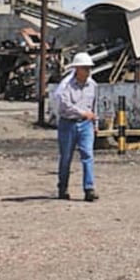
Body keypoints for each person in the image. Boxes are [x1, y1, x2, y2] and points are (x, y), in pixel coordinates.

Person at [55, 52, 99, 202]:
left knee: (88, 155)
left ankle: (89, 188)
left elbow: (94, 106)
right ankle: (63, 187)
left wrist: (94, 123)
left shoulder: (92, 85)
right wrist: (84, 113)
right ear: (77, 69)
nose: (88, 72)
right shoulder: (65, 86)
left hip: (86, 124)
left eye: (89, 69)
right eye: (85, 68)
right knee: (66, 157)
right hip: (68, 124)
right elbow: (65, 106)